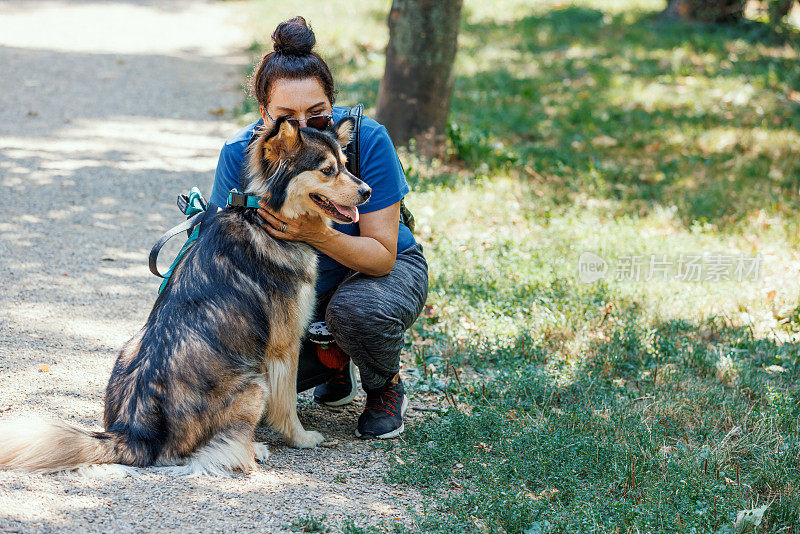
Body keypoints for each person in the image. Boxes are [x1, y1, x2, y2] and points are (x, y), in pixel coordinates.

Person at [209, 16, 428, 439]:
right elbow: (219, 262)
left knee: (358, 313)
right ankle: (332, 361)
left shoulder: (368, 138)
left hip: (380, 269)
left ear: (334, 104)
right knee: (265, 356)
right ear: (264, 116)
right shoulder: (239, 154)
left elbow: (382, 257)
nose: (305, 130)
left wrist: (317, 234)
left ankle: (383, 386)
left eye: (318, 114)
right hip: (291, 290)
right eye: (287, 117)